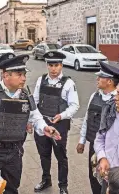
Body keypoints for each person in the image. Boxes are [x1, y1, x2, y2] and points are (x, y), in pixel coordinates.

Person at [0, 54, 61, 194]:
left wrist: (44, 127)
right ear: (6, 75)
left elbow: (35, 116)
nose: (24, 78)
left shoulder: (25, 95)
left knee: (12, 187)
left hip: (15, 152)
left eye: (24, 74)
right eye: (19, 74)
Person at [33, 51, 80, 194]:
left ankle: (63, 186)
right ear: (47, 66)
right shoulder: (41, 80)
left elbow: (74, 105)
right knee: (44, 154)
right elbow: (34, 102)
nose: (53, 69)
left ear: (61, 65)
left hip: (59, 124)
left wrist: (62, 115)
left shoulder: (68, 83)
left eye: (57, 65)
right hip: (42, 123)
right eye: (51, 65)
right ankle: (46, 180)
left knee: (61, 156)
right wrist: (32, 121)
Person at [76, 61, 119, 194]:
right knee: (93, 176)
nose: (97, 79)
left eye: (100, 77)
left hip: (111, 149)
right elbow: (87, 118)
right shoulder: (94, 96)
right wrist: (82, 140)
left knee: (109, 180)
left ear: (109, 81)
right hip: (94, 145)